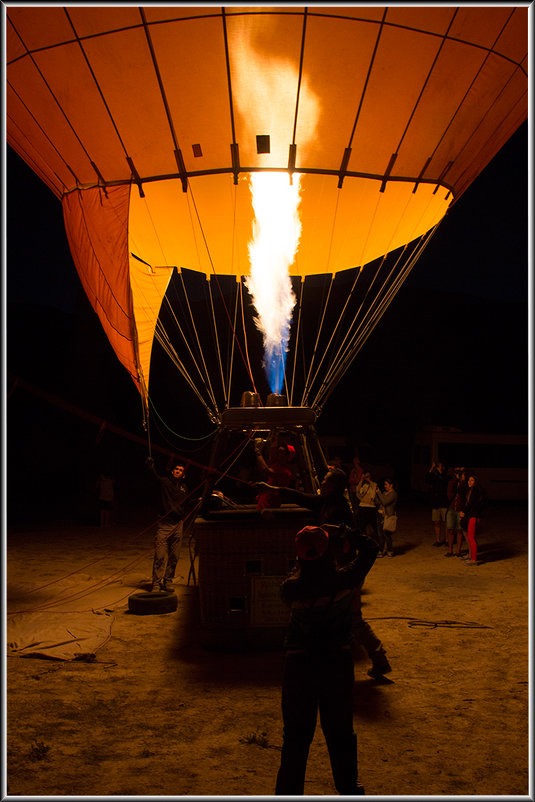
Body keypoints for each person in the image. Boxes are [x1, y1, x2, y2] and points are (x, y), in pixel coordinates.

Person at [275, 524, 379, 796]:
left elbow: (299, 577)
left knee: (296, 738)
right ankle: (348, 788)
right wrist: (346, 531)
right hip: (336, 662)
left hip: (299, 666)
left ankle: (288, 793)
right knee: (341, 732)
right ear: (327, 550)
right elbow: (371, 549)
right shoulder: (345, 580)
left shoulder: (290, 589)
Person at [146, 456, 189, 592]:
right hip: (164, 525)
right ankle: (156, 583)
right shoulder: (165, 482)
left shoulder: (184, 488)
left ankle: (168, 580)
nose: (178, 471)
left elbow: (188, 502)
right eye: (176, 469)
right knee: (160, 555)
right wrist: (151, 468)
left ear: (183, 474)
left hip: (178, 525)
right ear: (172, 471)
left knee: (174, 556)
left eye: (180, 470)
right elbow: (155, 478)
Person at [254, 435, 295, 510]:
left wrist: (258, 451)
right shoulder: (277, 466)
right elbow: (272, 458)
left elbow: (265, 470)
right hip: (264, 507)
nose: (278, 453)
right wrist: (274, 440)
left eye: (281, 452)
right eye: (279, 450)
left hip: (268, 510)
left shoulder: (285, 472)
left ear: (287, 456)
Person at [459, 473, 486, 565]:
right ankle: (471, 556)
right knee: (470, 537)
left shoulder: (476, 491)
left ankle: (473, 559)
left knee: (471, 537)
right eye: (469, 480)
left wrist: (463, 512)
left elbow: (471, 504)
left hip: (473, 516)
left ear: (475, 482)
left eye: (471, 480)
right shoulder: (471, 490)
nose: (469, 482)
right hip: (472, 515)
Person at [425, 462, 450, 546]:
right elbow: (427, 479)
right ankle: (438, 540)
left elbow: (443, 481)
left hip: (444, 502)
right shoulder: (434, 476)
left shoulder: (446, 476)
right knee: (436, 522)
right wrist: (431, 468)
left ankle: (447, 539)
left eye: (440, 466)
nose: (438, 467)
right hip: (435, 502)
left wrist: (440, 471)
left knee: (446, 522)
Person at [445, 468, 467, 557]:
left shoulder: (465, 484)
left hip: (460, 509)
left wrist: (462, 480)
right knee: (450, 530)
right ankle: (450, 550)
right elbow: (449, 494)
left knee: (459, 530)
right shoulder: (452, 482)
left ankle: (458, 551)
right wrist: (456, 479)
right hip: (451, 508)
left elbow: (464, 493)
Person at [375, 477, 398, 557]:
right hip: (381, 515)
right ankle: (381, 550)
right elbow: (378, 502)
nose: (385, 486)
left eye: (386, 484)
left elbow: (384, 502)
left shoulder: (393, 494)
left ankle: (390, 550)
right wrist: (377, 494)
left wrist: (379, 493)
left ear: (391, 485)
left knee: (386, 534)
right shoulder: (384, 493)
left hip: (388, 516)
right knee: (380, 534)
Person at [355, 471, 379, 543]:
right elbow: (357, 490)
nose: (366, 477)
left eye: (368, 476)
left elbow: (374, 489)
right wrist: (361, 480)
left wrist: (369, 480)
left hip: (371, 507)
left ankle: (377, 542)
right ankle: (363, 541)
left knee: (374, 526)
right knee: (361, 526)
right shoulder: (364, 485)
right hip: (362, 506)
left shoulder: (374, 484)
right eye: (366, 476)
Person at [348, 456, 364, 521]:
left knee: (357, 505)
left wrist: (352, 480)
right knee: (353, 505)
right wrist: (352, 480)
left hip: (357, 490)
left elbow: (357, 481)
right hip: (352, 489)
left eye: (356, 460)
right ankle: (355, 518)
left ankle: (359, 519)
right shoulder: (353, 470)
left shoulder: (360, 470)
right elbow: (349, 480)